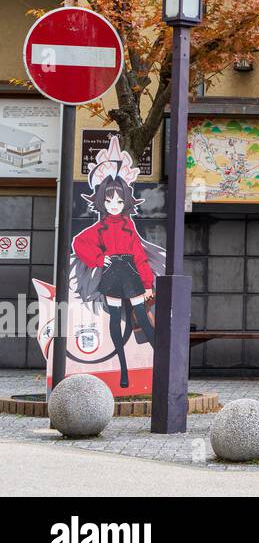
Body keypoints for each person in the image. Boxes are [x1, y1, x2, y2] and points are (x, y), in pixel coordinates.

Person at [72, 138, 162, 389]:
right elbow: (79, 243)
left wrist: (146, 284)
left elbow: (140, 255)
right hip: (112, 273)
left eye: (119, 202)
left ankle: (160, 363)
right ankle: (123, 371)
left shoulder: (128, 224)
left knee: (142, 317)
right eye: (109, 201)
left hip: (130, 271)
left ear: (125, 203)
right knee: (114, 321)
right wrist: (100, 259)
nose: (114, 206)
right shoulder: (99, 228)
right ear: (102, 201)